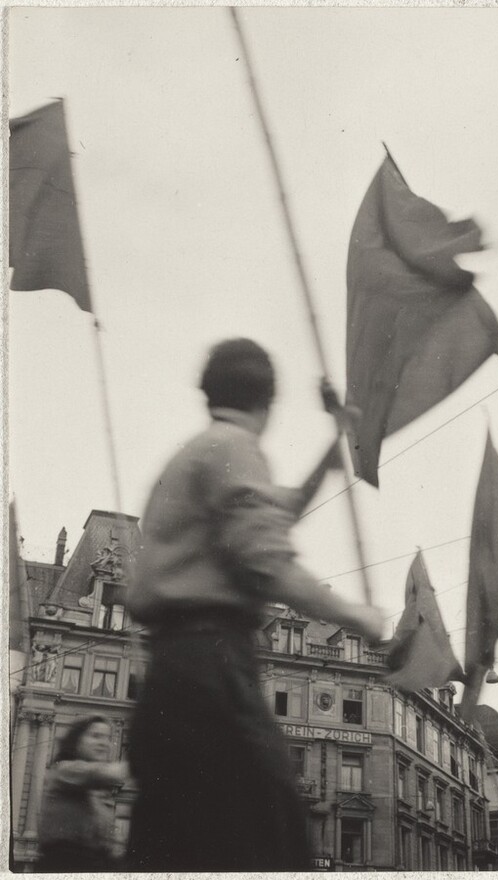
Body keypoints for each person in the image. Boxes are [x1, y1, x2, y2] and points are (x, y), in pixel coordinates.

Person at [126, 338, 385, 871]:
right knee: (272, 837)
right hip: (212, 669)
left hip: (172, 676)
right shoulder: (235, 448)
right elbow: (265, 559)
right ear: (269, 400)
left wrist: (331, 449)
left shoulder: (196, 454)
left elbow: (269, 515)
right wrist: (358, 617)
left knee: (172, 847)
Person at [37, 715, 128, 872]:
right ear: (76, 740)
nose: (104, 743)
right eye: (95, 736)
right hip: (65, 863)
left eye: (108, 738)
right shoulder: (65, 770)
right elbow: (112, 773)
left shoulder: (95, 790)